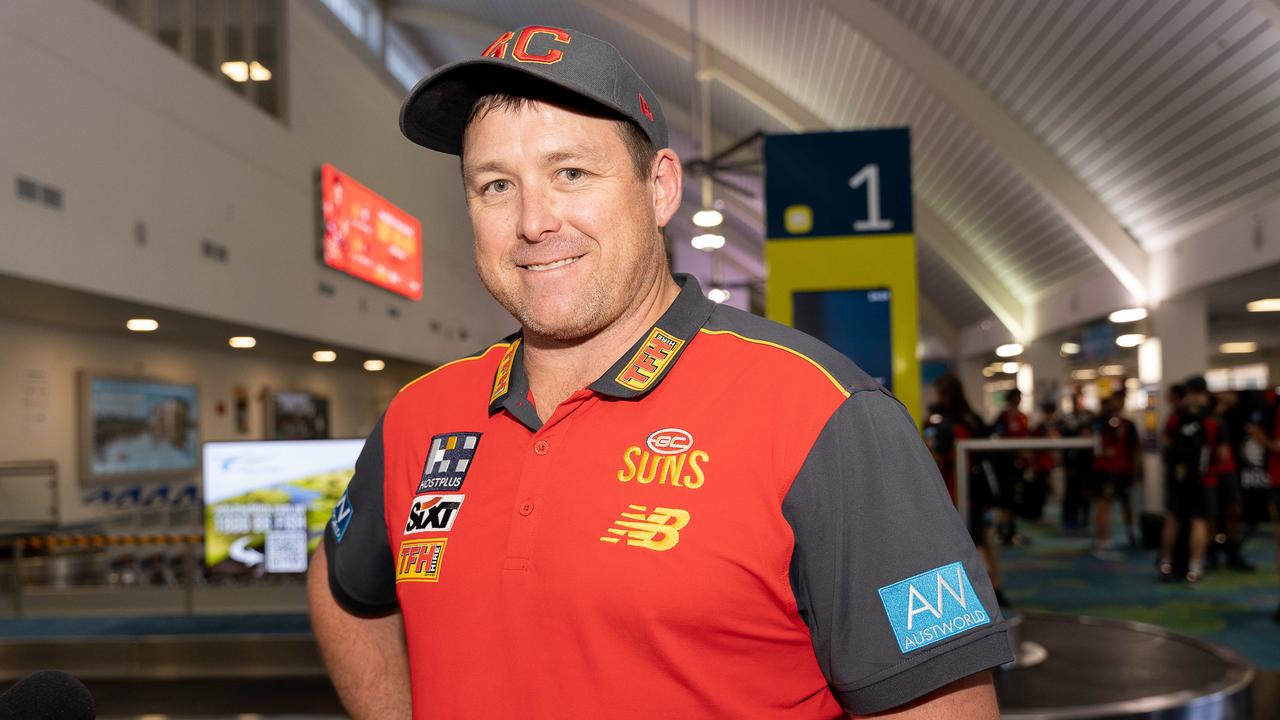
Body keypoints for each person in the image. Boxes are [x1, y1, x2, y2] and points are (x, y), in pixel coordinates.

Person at [306, 25, 1010, 719]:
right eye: (495, 186)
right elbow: (340, 587)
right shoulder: (421, 414)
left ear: (661, 186)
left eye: (571, 174)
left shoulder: (823, 413)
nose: (532, 221)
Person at [923, 374, 1010, 608]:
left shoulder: (945, 426)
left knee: (961, 544)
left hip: (956, 494)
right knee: (982, 538)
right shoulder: (974, 420)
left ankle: (972, 596)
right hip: (978, 490)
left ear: (946, 395)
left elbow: (937, 462)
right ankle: (996, 587)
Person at [1158, 377, 1220, 583]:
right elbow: (1222, 454)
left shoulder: (1176, 416)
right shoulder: (1211, 420)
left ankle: (1166, 563)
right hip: (1202, 479)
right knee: (1199, 522)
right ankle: (1194, 568)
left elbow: (1165, 444)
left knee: (1173, 519)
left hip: (1178, 477)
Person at [1088, 389, 1140, 556]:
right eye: (1117, 399)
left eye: (1122, 399)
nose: (1119, 403)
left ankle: (1131, 533)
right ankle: (1103, 541)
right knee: (1104, 504)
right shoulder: (1100, 421)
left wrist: (1137, 469)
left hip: (1123, 471)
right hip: (1105, 470)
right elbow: (1091, 439)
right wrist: (1102, 451)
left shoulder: (1128, 424)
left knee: (1126, 502)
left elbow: (1136, 449)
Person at [990, 389, 1030, 546]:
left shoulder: (1022, 416)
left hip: (1019, 464)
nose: (1019, 400)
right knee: (1005, 500)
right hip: (1005, 464)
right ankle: (1000, 531)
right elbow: (995, 434)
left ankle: (1012, 531)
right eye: (1017, 397)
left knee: (1015, 498)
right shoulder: (1004, 416)